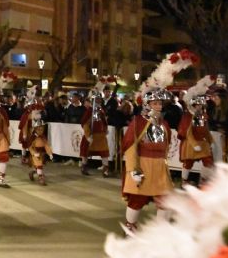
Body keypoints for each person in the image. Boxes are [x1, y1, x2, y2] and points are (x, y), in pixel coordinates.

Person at [121, 50, 197, 233]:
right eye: (155, 103)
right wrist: (133, 170)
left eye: (160, 104)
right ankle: (131, 226)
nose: (158, 106)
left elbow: (167, 143)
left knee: (165, 199)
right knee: (137, 200)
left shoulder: (163, 122)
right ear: (147, 104)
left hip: (160, 167)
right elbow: (129, 146)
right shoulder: (138, 122)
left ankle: (161, 230)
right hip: (143, 165)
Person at [178, 75, 216, 187]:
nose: (200, 106)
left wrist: (211, 141)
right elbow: (188, 132)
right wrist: (194, 144)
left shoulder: (203, 115)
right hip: (191, 143)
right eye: (198, 104)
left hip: (202, 142)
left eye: (201, 104)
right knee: (188, 162)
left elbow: (206, 130)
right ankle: (184, 181)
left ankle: (203, 180)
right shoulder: (189, 115)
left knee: (208, 160)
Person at [79, 85, 111, 177]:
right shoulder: (89, 111)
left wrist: (105, 130)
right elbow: (84, 123)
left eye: (99, 100)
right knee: (85, 151)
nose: (98, 101)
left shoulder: (101, 110)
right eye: (96, 100)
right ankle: (84, 166)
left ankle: (105, 168)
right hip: (91, 135)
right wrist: (88, 135)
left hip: (100, 136)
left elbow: (104, 122)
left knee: (104, 152)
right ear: (93, 101)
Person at [26, 109, 53, 185]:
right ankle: (41, 178)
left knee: (38, 166)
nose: (41, 131)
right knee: (39, 165)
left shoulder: (43, 137)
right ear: (35, 129)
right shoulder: (33, 137)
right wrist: (34, 153)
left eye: (42, 129)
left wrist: (50, 153)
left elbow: (46, 145)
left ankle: (32, 173)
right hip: (36, 153)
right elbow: (30, 146)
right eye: (39, 129)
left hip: (42, 153)